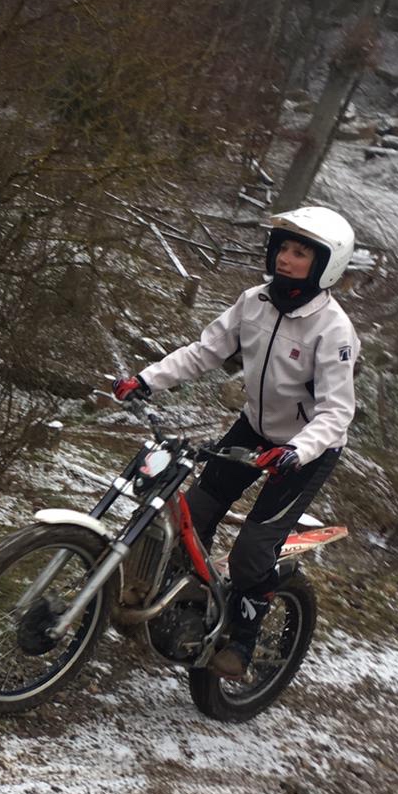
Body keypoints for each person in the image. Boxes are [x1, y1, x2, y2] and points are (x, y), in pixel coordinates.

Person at [112, 206, 360, 680]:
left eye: (300, 252)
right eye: (282, 248)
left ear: (327, 264)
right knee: (192, 514)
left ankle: (243, 641)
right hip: (253, 429)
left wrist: (298, 451)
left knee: (252, 550)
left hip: (308, 449)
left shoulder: (333, 329)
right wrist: (146, 380)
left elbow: (336, 411)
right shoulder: (255, 301)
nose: (285, 258)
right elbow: (205, 352)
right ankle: (190, 603)